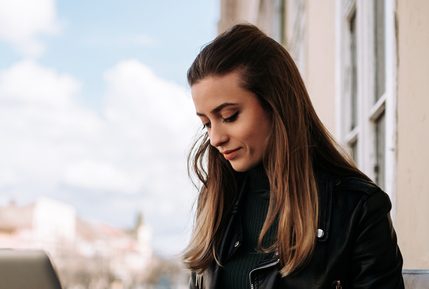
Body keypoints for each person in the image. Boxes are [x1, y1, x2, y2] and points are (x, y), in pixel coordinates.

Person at [183, 24, 404, 289]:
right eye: (206, 123)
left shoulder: (357, 209)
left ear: (276, 104)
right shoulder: (215, 202)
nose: (215, 138)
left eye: (229, 116)